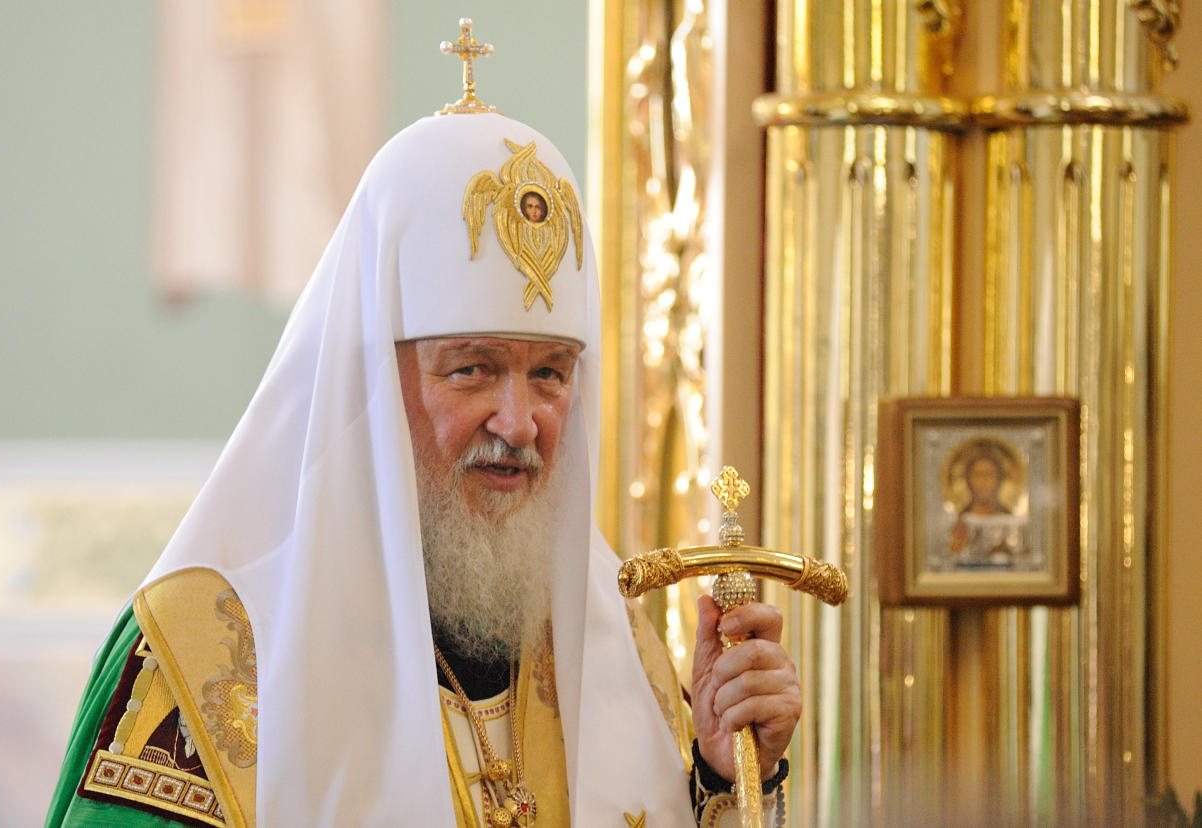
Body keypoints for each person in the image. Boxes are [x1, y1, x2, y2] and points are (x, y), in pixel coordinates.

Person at [47, 57, 801, 828]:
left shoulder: (608, 643)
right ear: (370, 383)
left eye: (550, 374)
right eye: (473, 370)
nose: (519, 423)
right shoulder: (213, 655)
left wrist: (722, 770)